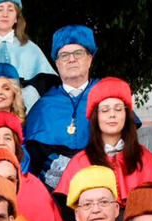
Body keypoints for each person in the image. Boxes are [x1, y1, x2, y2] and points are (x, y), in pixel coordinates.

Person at [53, 78, 152, 207]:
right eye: (105, 110)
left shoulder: (145, 158)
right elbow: (66, 210)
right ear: (96, 117)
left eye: (118, 109)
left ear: (126, 115)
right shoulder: (80, 162)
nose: (112, 115)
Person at [21, 25, 96, 181]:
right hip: (56, 188)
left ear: (89, 59)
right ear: (57, 63)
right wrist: (70, 178)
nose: (71, 59)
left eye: (78, 53)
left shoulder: (107, 98)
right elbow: (38, 154)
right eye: (64, 55)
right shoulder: (43, 106)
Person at [0, 0, 55, 92]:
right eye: (0, 10)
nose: (5, 15)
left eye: (10, 10)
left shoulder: (30, 48)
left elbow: (46, 86)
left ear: (16, 17)